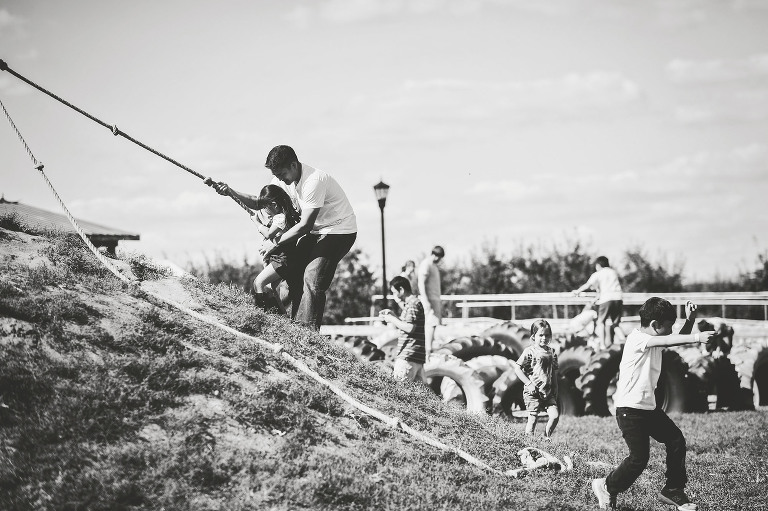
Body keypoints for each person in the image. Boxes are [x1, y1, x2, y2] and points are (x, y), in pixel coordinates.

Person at [208, 145, 357, 329]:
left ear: (293, 165)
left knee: (312, 277)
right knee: (292, 274)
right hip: (315, 232)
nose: (279, 179)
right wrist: (230, 191)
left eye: (281, 174)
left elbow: (305, 225)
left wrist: (275, 243)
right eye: (276, 175)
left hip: (338, 231)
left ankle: (306, 332)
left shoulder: (313, 181)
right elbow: (259, 202)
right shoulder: (283, 181)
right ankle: (286, 325)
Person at [591, 298, 715, 511]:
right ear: (655, 325)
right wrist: (697, 337)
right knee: (639, 459)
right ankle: (606, 486)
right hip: (630, 410)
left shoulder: (654, 339)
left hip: (648, 409)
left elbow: (673, 340)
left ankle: (673, 490)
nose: (671, 331)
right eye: (669, 326)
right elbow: (670, 340)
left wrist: (690, 320)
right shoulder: (637, 339)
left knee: (676, 440)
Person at [250, 184, 300, 314]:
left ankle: (260, 314)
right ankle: (282, 317)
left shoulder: (280, 217)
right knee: (270, 287)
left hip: (282, 259)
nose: (264, 211)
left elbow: (269, 234)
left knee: (258, 283)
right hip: (281, 258)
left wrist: (256, 223)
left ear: (274, 205)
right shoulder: (282, 217)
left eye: (265, 207)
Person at [512, 319, 560, 438]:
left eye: (547, 335)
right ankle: (529, 441)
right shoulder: (529, 351)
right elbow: (517, 369)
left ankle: (545, 438)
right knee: (533, 419)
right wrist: (529, 384)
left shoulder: (552, 352)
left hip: (548, 391)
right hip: (533, 392)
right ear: (534, 336)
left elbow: (553, 372)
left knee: (555, 416)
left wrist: (555, 387)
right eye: (541, 335)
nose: (544, 338)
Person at [378, 276, 429, 382]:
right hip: (416, 357)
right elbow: (407, 325)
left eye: (394, 292)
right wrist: (393, 315)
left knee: (400, 390)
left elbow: (410, 328)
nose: (393, 295)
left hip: (407, 356)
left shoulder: (412, 304)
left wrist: (391, 319)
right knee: (418, 392)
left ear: (401, 290)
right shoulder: (414, 303)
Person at [573, 256, 623, 350]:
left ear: (598, 265)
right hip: (618, 298)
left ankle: (602, 345)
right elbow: (604, 290)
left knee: (601, 322)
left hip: (606, 299)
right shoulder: (613, 272)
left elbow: (588, 285)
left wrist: (577, 291)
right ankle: (624, 341)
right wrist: (596, 298)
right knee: (615, 324)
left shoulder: (598, 273)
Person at [417, 246, 444, 350]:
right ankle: (427, 349)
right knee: (430, 323)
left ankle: (429, 347)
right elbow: (421, 283)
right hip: (429, 299)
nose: (439, 259)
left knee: (434, 324)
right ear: (435, 254)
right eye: (439, 257)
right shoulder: (426, 264)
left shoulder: (434, 266)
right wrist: (426, 300)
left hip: (434, 298)